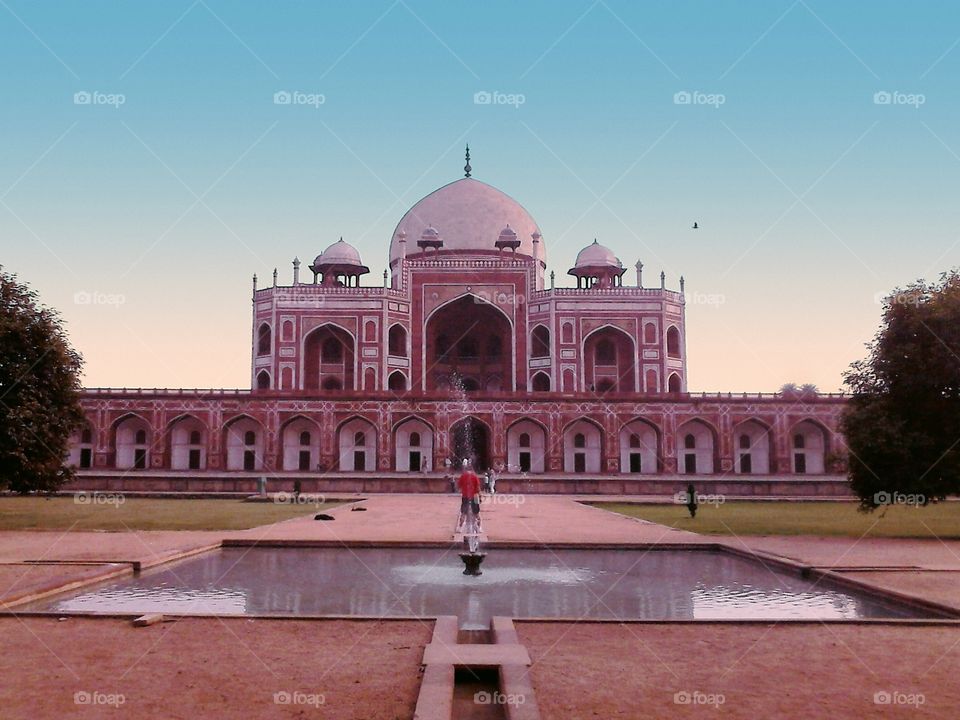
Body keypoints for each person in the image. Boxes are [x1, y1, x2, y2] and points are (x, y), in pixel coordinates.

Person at [456, 459, 482, 533]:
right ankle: (479, 528)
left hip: (465, 496)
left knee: (463, 512)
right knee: (477, 513)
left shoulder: (463, 476)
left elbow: (458, 487)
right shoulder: (474, 476)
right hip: (475, 496)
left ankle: (460, 528)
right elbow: (478, 488)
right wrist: (480, 497)